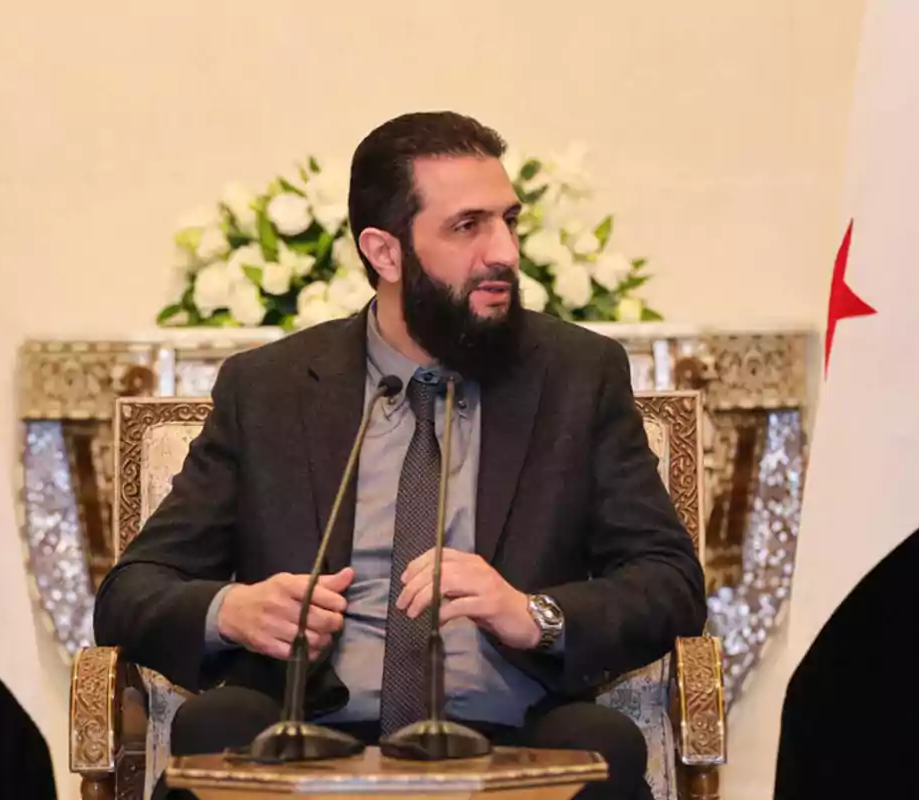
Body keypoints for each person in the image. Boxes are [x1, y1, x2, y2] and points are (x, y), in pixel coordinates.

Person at [93, 111, 706, 800]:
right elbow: (130, 594)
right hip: (309, 735)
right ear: (385, 254)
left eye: (509, 220)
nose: (502, 250)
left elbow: (670, 582)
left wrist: (532, 613)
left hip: (512, 737)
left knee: (604, 749)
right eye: (467, 226)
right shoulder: (269, 388)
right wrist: (232, 610)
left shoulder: (575, 375)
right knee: (216, 728)